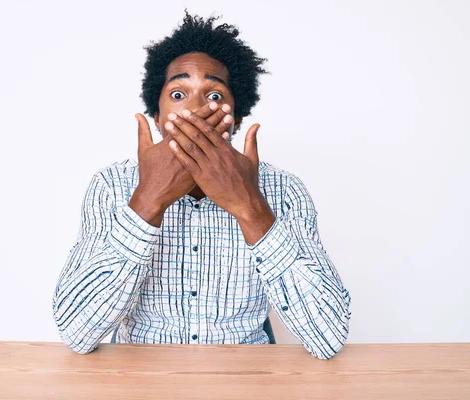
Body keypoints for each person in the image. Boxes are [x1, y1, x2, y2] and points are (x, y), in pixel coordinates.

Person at [51, 10, 352, 360]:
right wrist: (148, 200)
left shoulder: (282, 189)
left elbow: (329, 337)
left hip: (247, 381)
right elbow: (76, 331)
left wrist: (249, 204)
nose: (195, 109)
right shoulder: (112, 186)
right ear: (157, 117)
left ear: (236, 118)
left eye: (213, 96)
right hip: (140, 382)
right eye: (178, 95)